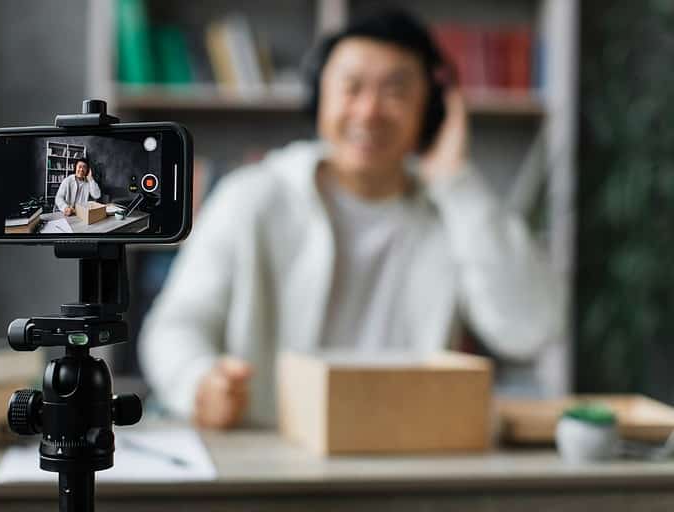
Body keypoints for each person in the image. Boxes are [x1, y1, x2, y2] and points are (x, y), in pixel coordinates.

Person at [138, 10, 565, 429]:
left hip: (403, 454)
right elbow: (174, 326)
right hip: (270, 451)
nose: (368, 111)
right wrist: (197, 381)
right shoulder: (251, 196)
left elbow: (530, 328)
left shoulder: (453, 212)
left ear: (430, 111)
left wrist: (456, 180)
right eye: (351, 87)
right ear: (319, 98)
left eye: (396, 91)